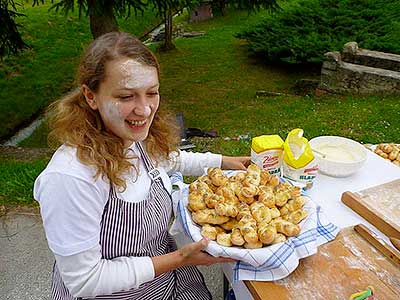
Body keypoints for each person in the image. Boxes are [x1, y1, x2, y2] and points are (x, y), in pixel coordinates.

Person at [34, 31, 250, 300]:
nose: (145, 110)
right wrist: (181, 258)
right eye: (126, 97)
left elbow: (168, 160)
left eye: (152, 93)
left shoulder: (132, 139)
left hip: (169, 281)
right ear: (91, 96)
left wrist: (225, 161)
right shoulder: (71, 177)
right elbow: (86, 281)